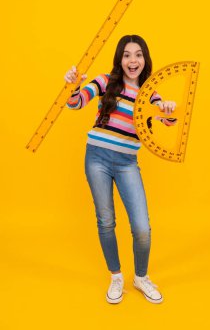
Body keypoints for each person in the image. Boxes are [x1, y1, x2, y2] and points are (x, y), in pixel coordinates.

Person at [64, 35, 176, 304]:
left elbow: (168, 119)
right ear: (120, 59)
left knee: (141, 228)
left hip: (127, 163)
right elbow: (76, 103)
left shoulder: (150, 92)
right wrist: (73, 86)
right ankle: (116, 277)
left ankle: (140, 277)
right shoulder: (105, 82)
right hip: (97, 158)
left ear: (145, 59)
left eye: (138, 55)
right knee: (106, 221)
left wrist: (168, 108)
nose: (133, 60)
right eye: (127, 55)